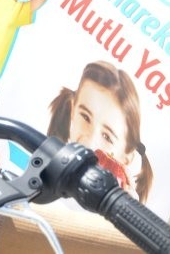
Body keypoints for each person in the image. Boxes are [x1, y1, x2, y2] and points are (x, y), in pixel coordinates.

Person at [47, 61, 153, 202]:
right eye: (85, 117)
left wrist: (125, 209)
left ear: (125, 159)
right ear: (72, 109)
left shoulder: (114, 208)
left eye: (107, 137)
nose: (89, 143)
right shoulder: (44, 168)